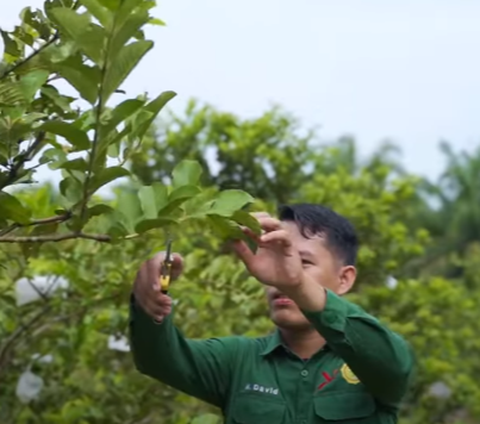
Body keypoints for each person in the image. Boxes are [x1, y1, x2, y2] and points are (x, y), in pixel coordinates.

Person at [129, 203, 414, 424]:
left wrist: (297, 283)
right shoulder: (238, 360)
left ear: (345, 279)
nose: (282, 276)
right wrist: (149, 300)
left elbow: (393, 362)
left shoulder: (372, 362)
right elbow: (159, 359)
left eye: (303, 262)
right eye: (276, 259)